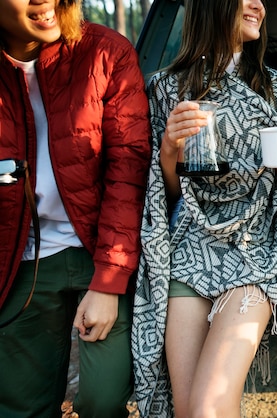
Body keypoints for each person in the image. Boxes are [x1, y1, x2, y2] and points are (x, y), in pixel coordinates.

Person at [131, 0, 277, 416]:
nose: (260, 6)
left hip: (256, 250)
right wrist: (168, 152)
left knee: (209, 407)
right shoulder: (165, 87)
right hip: (190, 251)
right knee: (187, 410)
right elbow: (166, 197)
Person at [0, 0, 151, 417]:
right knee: (19, 407)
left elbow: (129, 170)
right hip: (18, 261)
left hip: (99, 251)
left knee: (102, 403)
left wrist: (107, 282)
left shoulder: (107, 51)